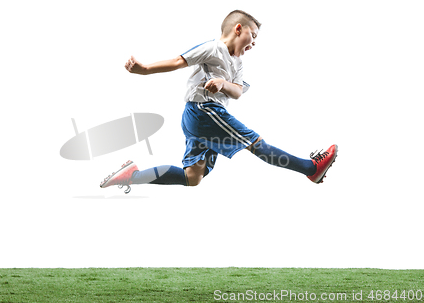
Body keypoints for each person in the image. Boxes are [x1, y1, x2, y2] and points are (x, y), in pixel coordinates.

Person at [100, 10, 337, 194]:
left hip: (201, 118)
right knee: (256, 144)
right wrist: (144, 69)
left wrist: (223, 84)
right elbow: (177, 61)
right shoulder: (213, 49)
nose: (253, 42)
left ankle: (133, 175)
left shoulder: (238, 64)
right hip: (204, 110)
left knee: (193, 177)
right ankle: (311, 169)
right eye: (252, 35)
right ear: (237, 29)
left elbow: (238, 92)